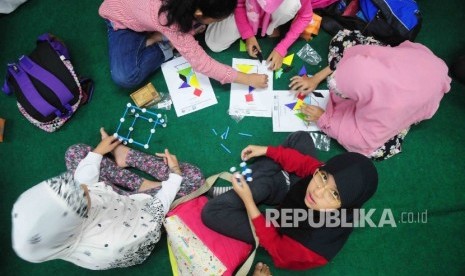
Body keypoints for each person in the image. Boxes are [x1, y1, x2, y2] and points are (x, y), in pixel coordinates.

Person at [11, 129, 204, 269]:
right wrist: (175, 174)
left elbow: (83, 183)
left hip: (114, 205)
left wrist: (97, 153)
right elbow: (154, 212)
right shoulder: (114, 242)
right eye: (84, 194)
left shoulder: (65, 224)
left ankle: (138, 181)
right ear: (75, 220)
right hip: (139, 218)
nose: (85, 186)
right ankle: (145, 185)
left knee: (76, 152)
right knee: (193, 178)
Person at [202, 131, 378, 270]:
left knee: (212, 212)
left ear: (345, 206)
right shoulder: (323, 173)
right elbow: (306, 165)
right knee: (300, 138)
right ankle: (263, 186)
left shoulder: (310, 244)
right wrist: (266, 150)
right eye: (323, 177)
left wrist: (248, 201)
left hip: (280, 231)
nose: (318, 191)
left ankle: (253, 190)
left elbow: (275, 246)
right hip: (292, 197)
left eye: (334, 194)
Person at [288, 30, 452, 160]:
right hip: (421, 63)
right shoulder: (374, 57)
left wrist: (324, 118)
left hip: (421, 93)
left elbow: (361, 140)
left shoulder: (389, 107)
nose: (335, 91)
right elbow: (355, 63)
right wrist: (317, 78)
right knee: (344, 41)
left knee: (376, 150)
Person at [98, 0, 268, 89]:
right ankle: (164, 43)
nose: (217, 22)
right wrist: (247, 78)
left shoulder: (183, 12)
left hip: (154, 19)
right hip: (122, 21)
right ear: (199, 12)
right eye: (216, 20)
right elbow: (202, 64)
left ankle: (161, 37)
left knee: (187, 30)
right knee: (126, 76)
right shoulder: (168, 18)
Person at [205, 0, 338, 70]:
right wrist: (248, 35)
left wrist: (282, 48)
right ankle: (261, 25)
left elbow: (306, 16)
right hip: (245, 11)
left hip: (274, 13)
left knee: (290, 5)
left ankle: (271, 25)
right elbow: (239, 5)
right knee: (214, 44)